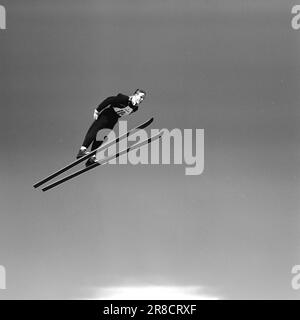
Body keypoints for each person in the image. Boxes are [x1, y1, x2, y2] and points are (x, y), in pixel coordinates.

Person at [76, 89, 146, 166]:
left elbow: (122, 112)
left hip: (113, 120)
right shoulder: (124, 98)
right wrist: (97, 110)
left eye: (143, 98)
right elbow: (109, 100)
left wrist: (132, 105)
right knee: (95, 130)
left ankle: (92, 157)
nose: (142, 100)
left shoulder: (135, 108)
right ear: (135, 95)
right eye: (141, 97)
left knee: (101, 137)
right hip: (106, 115)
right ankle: (82, 150)